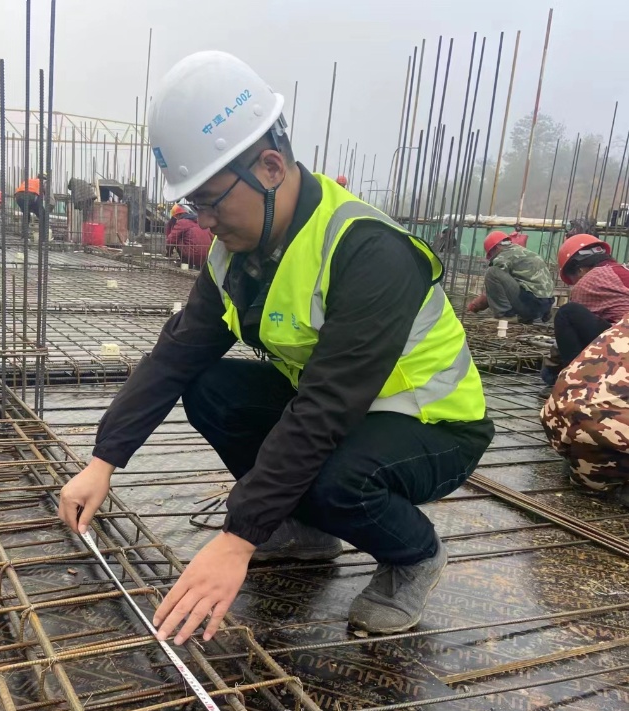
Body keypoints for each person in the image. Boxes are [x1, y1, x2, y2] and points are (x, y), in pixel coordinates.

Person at [58, 51, 493, 643]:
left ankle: (414, 555)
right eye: (194, 205)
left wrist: (238, 537)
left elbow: (324, 410)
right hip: (346, 412)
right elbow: (175, 357)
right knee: (210, 388)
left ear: (269, 167)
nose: (204, 222)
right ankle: (304, 529)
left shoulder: (368, 250)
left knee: (334, 477)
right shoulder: (236, 254)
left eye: (212, 200)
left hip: (431, 424)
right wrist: (103, 460)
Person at [541, 314, 629, 506]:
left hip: (560, 431)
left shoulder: (622, 324)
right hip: (608, 445)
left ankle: (584, 466)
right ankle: (608, 474)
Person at [552, 234, 629, 368]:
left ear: (580, 270)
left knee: (567, 313)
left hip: (623, 345)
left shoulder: (589, 280)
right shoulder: (623, 270)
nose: (575, 284)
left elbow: (575, 331)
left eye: (574, 280)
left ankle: (575, 373)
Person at [466, 231, 555, 323]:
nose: (492, 256)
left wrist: (475, 305)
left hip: (531, 304)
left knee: (492, 272)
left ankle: (505, 315)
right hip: (545, 307)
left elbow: (493, 290)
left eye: (491, 253)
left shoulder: (503, 256)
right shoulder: (522, 252)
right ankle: (527, 317)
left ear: (496, 247)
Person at [165, 203, 213, 269]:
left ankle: (185, 262)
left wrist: (169, 251)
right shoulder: (202, 221)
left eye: (176, 217)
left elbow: (171, 239)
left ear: (179, 215)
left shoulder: (182, 222)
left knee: (177, 238)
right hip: (207, 256)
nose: (176, 219)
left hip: (191, 256)